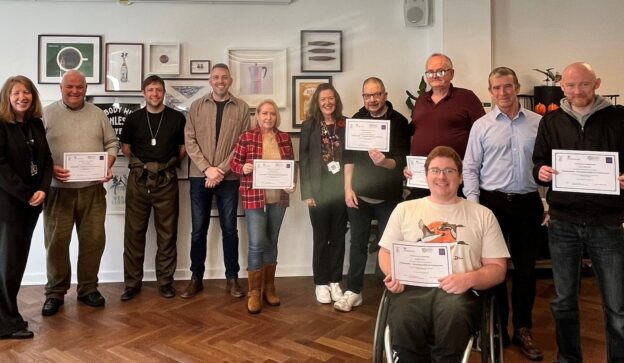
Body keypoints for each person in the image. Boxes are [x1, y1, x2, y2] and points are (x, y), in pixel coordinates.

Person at [379, 146, 509, 362]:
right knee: (405, 317)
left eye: (449, 171)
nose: (441, 176)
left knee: (453, 315)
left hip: (460, 292)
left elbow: (497, 269)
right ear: (426, 175)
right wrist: (395, 274)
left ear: (460, 178)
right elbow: (385, 252)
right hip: (412, 288)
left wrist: (469, 279)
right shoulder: (405, 209)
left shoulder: (482, 214)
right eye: (435, 170)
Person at [532, 62, 624, 362]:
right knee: (563, 302)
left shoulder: (618, 118)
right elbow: (538, 162)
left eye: (583, 84)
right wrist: (541, 172)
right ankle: (569, 359)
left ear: (596, 83)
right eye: (570, 86)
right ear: (562, 88)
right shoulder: (551, 122)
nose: (577, 91)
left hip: (607, 223)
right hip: (563, 223)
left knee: (617, 306)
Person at [463, 67, 544, 360]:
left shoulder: (539, 123)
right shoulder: (481, 126)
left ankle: (523, 329)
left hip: (528, 203)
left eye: (507, 87)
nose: (502, 93)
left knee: (525, 270)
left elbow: (548, 166)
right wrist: (474, 206)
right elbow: (470, 167)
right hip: (491, 204)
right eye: (496, 88)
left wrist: (547, 203)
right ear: (490, 91)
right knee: (494, 270)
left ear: (517, 87)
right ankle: (496, 327)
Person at [42, 70, 118, 316]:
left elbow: (111, 144)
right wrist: (48, 170)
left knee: (93, 241)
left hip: (92, 191)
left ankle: (88, 289)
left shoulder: (98, 114)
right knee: (56, 244)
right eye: (69, 87)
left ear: (86, 88)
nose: (75, 91)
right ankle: (55, 292)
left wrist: (108, 163)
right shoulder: (46, 114)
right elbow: (35, 150)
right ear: (61, 88)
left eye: (80, 87)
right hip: (57, 192)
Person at [333, 77, 411, 312]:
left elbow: (400, 162)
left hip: (389, 197)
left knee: (391, 246)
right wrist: (347, 188)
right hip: (359, 197)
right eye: (368, 95)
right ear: (363, 97)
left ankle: (393, 292)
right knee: (357, 243)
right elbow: (348, 159)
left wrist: (384, 162)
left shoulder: (399, 122)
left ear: (385, 95)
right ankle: (354, 291)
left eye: (377, 95)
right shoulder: (356, 121)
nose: (372, 100)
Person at [184, 63, 251, 299]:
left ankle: (232, 278)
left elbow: (242, 144)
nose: (220, 81)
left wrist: (219, 170)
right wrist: (206, 169)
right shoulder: (196, 106)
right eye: (215, 77)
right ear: (210, 81)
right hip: (198, 177)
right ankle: (196, 278)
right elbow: (189, 140)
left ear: (230, 80)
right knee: (198, 230)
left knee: (230, 229)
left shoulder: (242, 108)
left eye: (224, 77)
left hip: (229, 177)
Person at [119, 75, 186, 301]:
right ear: (143, 93)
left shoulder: (177, 118)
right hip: (138, 180)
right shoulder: (134, 119)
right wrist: (146, 167)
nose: (154, 94)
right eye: (150, 90)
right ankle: (131, 283)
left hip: (166, 180)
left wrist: (161, 167)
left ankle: (165, 282)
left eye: (158, 90)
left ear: (164, 92)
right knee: (133, 233)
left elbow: (183, 149)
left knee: (167, 234)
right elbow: (126, 148)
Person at [230, 99, 295, 314]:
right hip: (254, 197)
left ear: (277, 116)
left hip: (278, 198)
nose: (268, 117)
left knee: (271, 242)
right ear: (257, 116)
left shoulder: (284, 138)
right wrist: (244, 168)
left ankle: (269, 288)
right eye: (264, 113)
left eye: (272, 114)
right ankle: (254, 292)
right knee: (257, 243)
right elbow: (234, 164)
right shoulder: (247, 137)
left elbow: (291, 166)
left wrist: (291, 184)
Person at [0, 76, 53, 339]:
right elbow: (1, 168)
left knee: (16, 263)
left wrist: (43, 188)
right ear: (7, 97)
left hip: (31, 206)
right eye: (16, 93)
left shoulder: (35, 124)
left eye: (27, 92)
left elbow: (47, 160)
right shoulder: (1, 125)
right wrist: (26, 194)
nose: (22, 97)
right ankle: (6, 323)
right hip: (9, 207)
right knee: (7, 265)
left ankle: (8, 316)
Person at [406, 53, 485, 200]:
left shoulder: (467, 98)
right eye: (430, 72)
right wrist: (409, 165)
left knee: (455, 220)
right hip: (422, 178)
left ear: (452, 74)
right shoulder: (421, 100)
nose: (435, 76)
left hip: (454, 177)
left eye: (440, 71)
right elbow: (415, 132)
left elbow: (483, 134)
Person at [299, 83, 347, 304]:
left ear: (336, 100)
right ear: (317, 103)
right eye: (323, 100)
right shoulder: (309, 125)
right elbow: (305, 160)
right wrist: (306, 192)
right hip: (317, 191)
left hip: (341, 190)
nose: (328, 103)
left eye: (331, 99)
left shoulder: (344, 124)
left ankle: (335, 281)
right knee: (321, 238)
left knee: (338, 237)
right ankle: (320, 282)